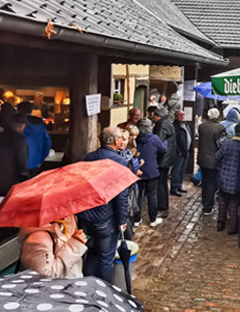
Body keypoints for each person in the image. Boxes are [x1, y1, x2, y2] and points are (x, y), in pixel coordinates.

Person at [79, 127, 130, 282]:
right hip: (106, 216)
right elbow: (121, 195)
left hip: (87, 214)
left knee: (92, 252)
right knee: (106, 257)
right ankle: (103, 290)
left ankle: (87, 285)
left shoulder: (88, 157)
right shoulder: (119, 161)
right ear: (115, 141)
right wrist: (122, 220)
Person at [18, 215, 88, 279]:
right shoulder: (39, 238)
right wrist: (75, 245)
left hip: (71, 282)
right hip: (59, 289)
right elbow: (46, 277)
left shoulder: (67, 220)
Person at [134, 118, 168, 227]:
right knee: (152, 196)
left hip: (138, 170)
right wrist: (166, 142)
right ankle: (153, 219)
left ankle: (136, 219)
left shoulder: (135, 139)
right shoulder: (154, 138)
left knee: (138, 196)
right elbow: (163, 149)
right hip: (152, 171)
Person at [215, 123, 240, 234]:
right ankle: (232, 227)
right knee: (234, 204)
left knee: (223, 201)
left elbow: (217, 156)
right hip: (238, 181)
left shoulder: (227, 144)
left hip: (224, 178)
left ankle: (220, 223)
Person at [198, 108, 227, 215]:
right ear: (217, 116)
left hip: (202, 159)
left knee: (205, 182)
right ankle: (208, 207)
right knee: (211, 183)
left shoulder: (201, 126)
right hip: (214, 160)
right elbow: (221, 144)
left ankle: (204, 202)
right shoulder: (220, 128)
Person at [153, 108, 176, 218]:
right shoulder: (169, 123)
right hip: (169, 158)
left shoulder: (161, 124)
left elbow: (158, 142)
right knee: (164, 181)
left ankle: (162, 205)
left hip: (162, 158)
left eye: (154, 116)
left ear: (158, 116)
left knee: (160, 182)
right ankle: (164, 204)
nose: (153, 118)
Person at [17, 101, 51, 176]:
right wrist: (40, 159)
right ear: (31, 110)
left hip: (17, 163)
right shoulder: (39, 124)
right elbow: (47, 144)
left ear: (19, 110)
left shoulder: (15, 124)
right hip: (34, 161)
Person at [0, 112, 30, 196]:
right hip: (11, 181)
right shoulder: (19, 140)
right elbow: (22, 162)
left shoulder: (1, 136)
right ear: (22, 126)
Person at [171, 110, 193, 195]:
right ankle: (174, 188)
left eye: (183, 114)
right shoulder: (175, 126)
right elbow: (174, 140)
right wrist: (178, 151)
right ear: (176, 116)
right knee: (176, 171)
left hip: (185, 152)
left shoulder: (185, 124)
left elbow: (189, 136)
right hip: (179, 153)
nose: (182, 116)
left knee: (182, 170)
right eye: (180, 115)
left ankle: (179, 186)